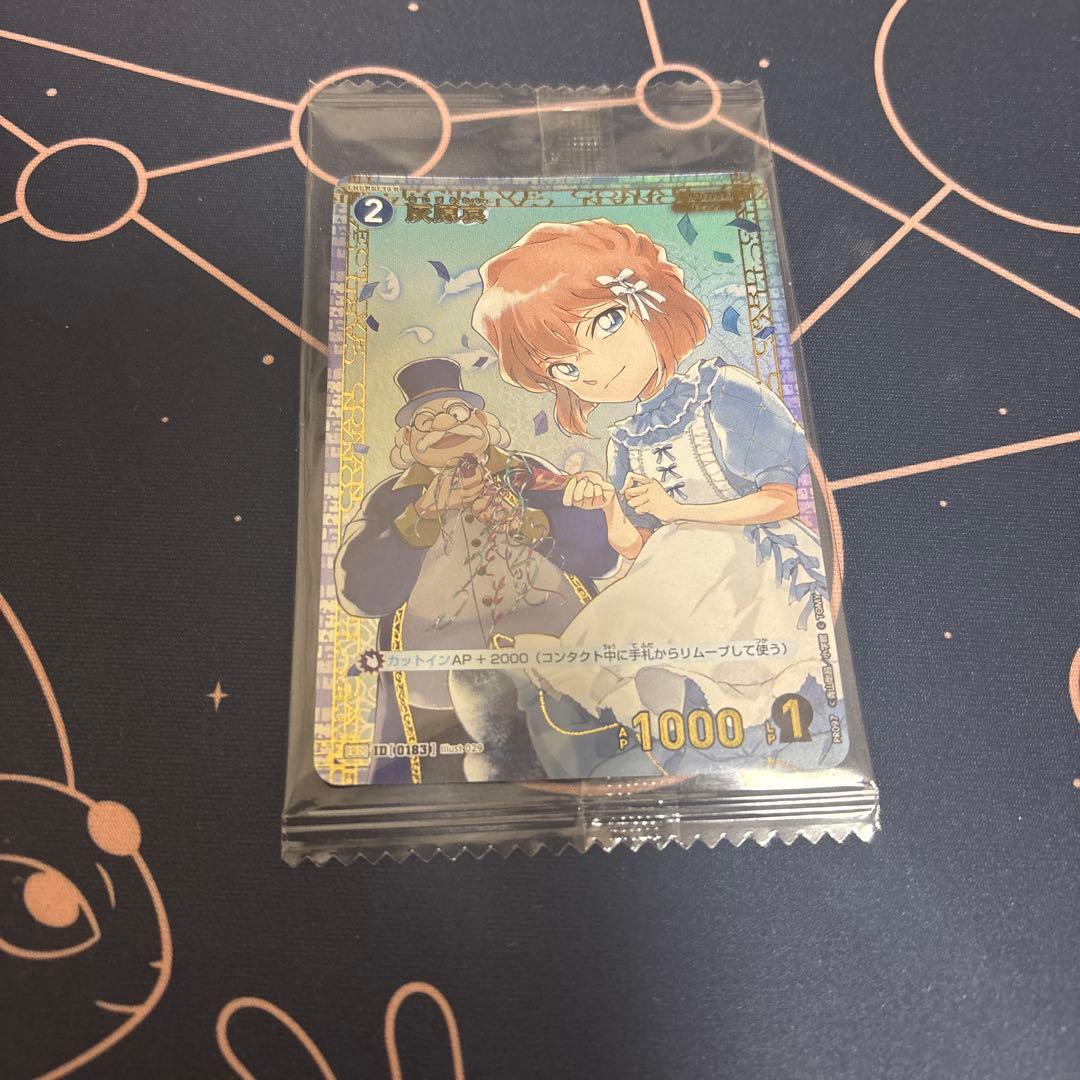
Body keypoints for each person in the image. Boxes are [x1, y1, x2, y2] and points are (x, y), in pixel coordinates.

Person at [452, 219, 839, 779]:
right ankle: (554, 727)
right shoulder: (627, 440)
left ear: (650, 304)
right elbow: (636, 546)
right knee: (629, 617)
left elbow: (781, 500)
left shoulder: (725, 393)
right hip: (677, 569)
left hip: (753, 566)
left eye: (606, 323)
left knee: (648, 626)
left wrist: (681, 511)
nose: (594, 370)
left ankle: (588, 726)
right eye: (565, 367)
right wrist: (609, 507)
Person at [335, 356, 618, 782]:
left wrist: (525, 521)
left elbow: (602, 555)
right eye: (426, 422)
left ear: (483, 421)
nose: (445, 426)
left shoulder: (528, 475)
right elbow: (358, 592)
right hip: (438, 694)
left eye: (457, 413)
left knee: (584, 775)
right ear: (407, 440)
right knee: (445, 793)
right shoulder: (392, 498)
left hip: (557, 667)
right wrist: (423, 513)